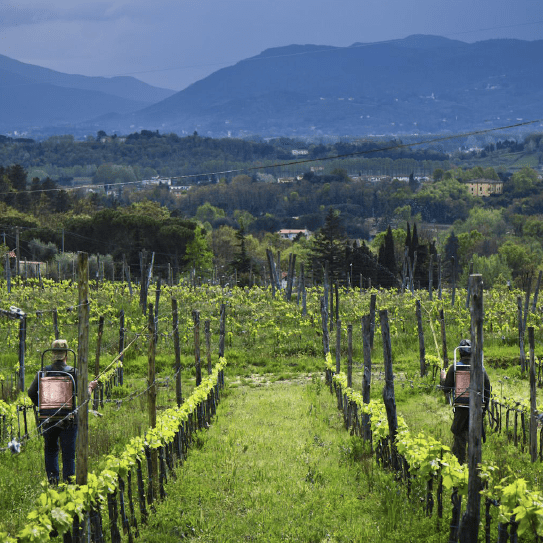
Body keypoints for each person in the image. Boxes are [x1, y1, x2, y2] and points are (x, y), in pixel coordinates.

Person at [28, 339, 97, 485]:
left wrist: (43, 406)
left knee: (51, 450)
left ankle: (53, 483)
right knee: (68, 454)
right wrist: (90, 387)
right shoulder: (73, 372)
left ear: (52, 354)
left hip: (48, 419)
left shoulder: (43, 372)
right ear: (66, 354)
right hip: (69, 419)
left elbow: (31, 392)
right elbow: (85, 396)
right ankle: (69, 484)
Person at [440, 339, 491, 464]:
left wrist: (443, 378)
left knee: (459, 438)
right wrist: (484, 410)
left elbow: (446, 389)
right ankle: (475, 465)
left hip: (461, 409)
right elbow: (487, 391)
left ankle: (460, 464)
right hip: (477, 409)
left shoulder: (455, 368)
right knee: (474, 438)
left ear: (460, 353)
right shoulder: (481, 369)